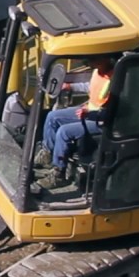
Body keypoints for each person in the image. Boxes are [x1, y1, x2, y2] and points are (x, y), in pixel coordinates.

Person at [41, 56, 114, 184]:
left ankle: (59, 173)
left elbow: (112, 109)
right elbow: (90, 87)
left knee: (64, 132)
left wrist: (89, 113)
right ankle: (48, 155)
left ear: (104, 59)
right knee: (52, 117)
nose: (91, 64)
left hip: (100, 120)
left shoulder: (114, 80)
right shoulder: (98, 72)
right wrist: (70, 87)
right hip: (88, 110)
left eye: (93, 61)